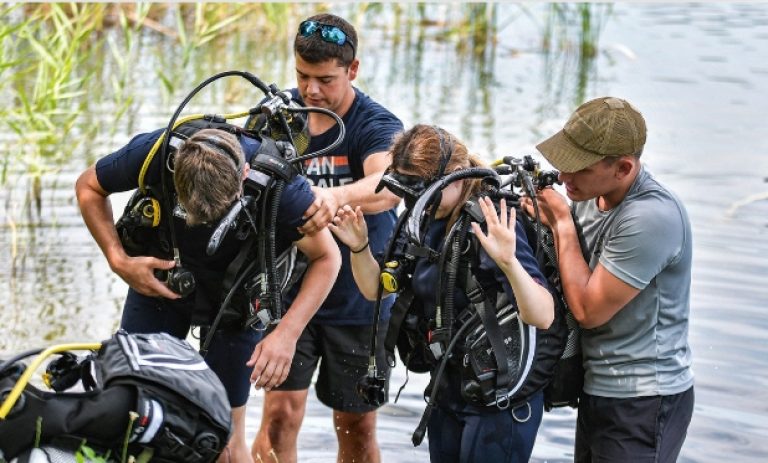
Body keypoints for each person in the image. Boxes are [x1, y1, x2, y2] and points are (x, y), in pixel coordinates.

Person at [75, 127, 341, 463]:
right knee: (134, 409)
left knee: (225, 438)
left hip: (236, 301)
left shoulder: (280, 189)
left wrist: (287, 334)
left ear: (245, 174)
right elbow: (89, 186)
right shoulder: (156, 153)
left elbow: (327, 258)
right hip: (161, 284)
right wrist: (118, 259)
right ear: (175, 170)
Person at [330, 124, 555, 462]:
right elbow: (379, 289)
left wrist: (509, 262)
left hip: (498, 396)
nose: (415, 201)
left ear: (459, 177)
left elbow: (543, 315)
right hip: (448, 385)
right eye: (408, 191)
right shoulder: (420, 218)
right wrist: (360, 247)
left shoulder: (491, 218)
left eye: (424, 191)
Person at [251, 13, 403, 463]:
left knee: (356, 427)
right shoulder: (278, 117)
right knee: (279, 416)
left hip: (358, 300)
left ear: (352, 70)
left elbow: (389, 187)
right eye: (302, 76)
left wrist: (326, 197)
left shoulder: (373, 122)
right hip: (289, 294)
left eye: (325, 79)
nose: (311, 90)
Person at [529, 96, 695, 462]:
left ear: (623, 168)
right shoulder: (590, 195)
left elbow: (589, 311)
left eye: (579, 168)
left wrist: (560, 223)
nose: (562, 178)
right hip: (597, 388)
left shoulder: (651, 217)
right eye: (564, 163)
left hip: (644, 399)